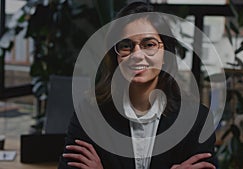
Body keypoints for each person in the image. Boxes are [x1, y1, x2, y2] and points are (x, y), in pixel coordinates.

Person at [58, 2, 217, 169]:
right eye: (126, 46)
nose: (137, 55)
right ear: (116, 56)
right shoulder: (89, 115)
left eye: (149, 45)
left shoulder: (197, 120)